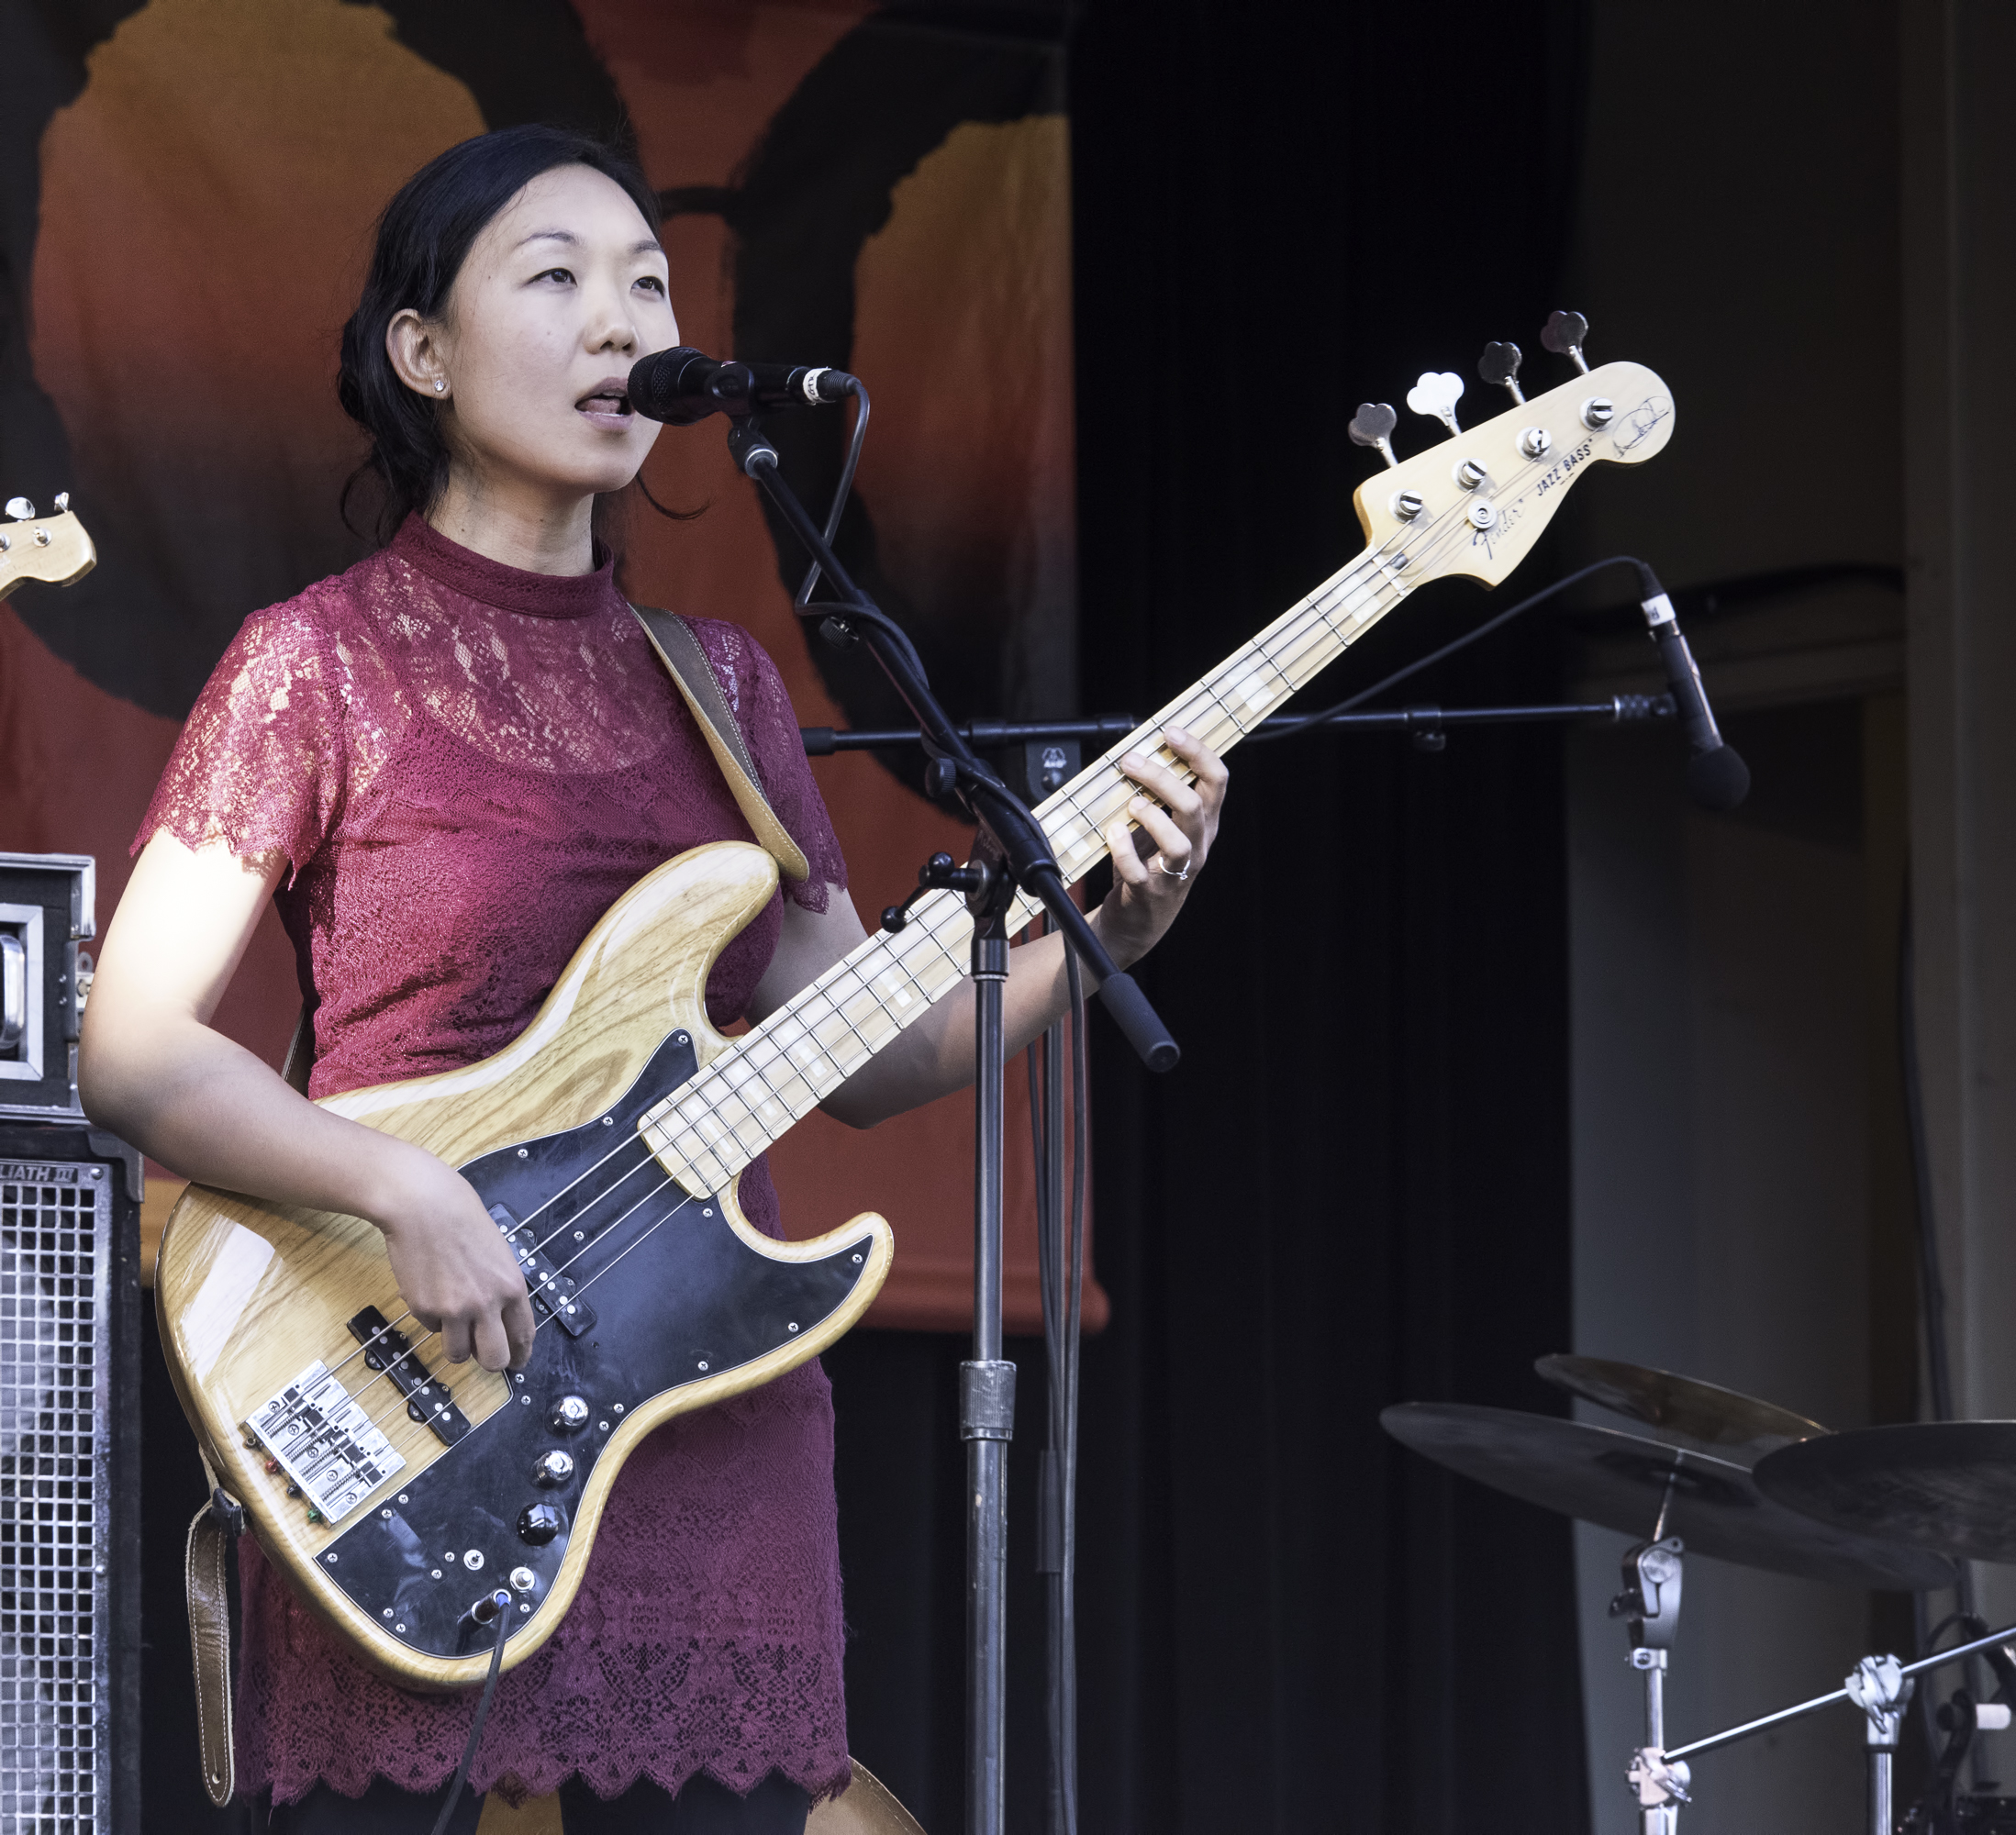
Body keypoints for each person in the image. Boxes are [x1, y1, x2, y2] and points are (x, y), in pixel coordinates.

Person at [79, 126, 1225, 1834]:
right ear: (423, 350)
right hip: (417, 1374)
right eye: (554, 279)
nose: (621, 322)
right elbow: (134, 1046)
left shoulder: (727, 685)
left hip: (708, 1410)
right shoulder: (313, 662)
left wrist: (1102, 935)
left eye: (646, 283)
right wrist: (398, 1186)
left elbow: (869, 1039)